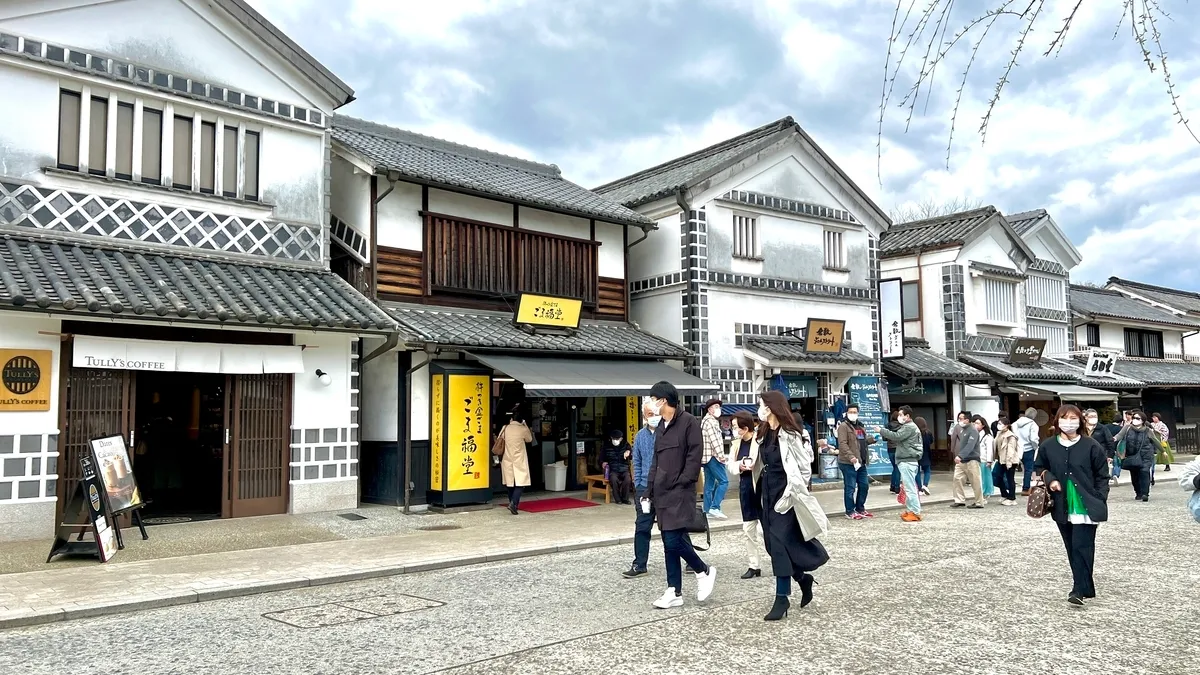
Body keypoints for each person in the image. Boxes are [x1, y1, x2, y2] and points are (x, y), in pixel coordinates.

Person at [754, 390, 830, 621]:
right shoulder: (764, 431)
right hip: (766, 490)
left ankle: (782, 597)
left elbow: (805, 465)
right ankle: (802, 578)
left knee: (778, 542)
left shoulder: (789, 434)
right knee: (770, 543)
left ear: (773, 407)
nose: (760, 409)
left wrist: (797, 489)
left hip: (786, 494)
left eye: (763, 405)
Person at [646, 381, 716, 609]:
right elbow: (655, 462)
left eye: (653, 399)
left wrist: (683, 481)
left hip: (680, 491)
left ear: (663, 400)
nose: (651, 404)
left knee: (674, 539)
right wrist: (647, 491)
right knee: (668, 542)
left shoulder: (689, 423)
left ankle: (703, 570)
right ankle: (673, 590)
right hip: (661, 493)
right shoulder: (661, 427)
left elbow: (695, 457)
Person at [1034, 404, 1110, 605]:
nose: (1069, 422)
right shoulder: (1048, 446)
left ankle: (1078, 589)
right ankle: (1085, 587)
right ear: (1057, 421)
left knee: (1082, 545)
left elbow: (1102, 475)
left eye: (1073, 418)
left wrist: (1100, 496)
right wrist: (1050, 479)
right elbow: (1040, 466)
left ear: (1080, 421)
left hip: (1086, 504)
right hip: (1062, 504)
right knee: (1071, 546)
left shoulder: (1091, 445)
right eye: (1064, 418)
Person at [623, 400, 660, 579]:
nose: (653, 417)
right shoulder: (640, 436)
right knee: (642, 526)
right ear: (644, 416)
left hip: (664, 486)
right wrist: (637, 483)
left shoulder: (667, 432)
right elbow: (636, 461)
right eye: (650, 414)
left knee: (674, 525)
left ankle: (691, 561)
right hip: (644, 487)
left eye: (656, 413)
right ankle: (639, 564)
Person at [730, 413, 765, 579]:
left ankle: (782, 560)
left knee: (767, 528)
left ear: (745, 428)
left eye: (736, 426)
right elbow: (730, 465)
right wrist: (740, 466)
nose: (734, 430)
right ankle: (754, 565)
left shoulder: (760, 441)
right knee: (748, 528)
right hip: (745, 487)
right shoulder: (736, 444)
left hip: (762, 487)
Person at [876, 405, 923, 522]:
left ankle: (915, 512)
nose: (899, 417)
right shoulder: (910, 427)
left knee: (910, 488)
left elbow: (896, 436)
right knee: (908, 488)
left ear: (907, 416)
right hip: (909, 460)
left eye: (901, 415)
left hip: (907, 460)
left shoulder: (909, 427)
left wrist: (881, 430)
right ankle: (911, 510)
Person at [835, 403, 873, 520]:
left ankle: (860, 508)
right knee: (850, 487)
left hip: (861, 462)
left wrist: (872, 439)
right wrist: (851, 456)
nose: (853, 414)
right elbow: (842, 444)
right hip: (848, 462)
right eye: (850, 412)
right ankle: (850, 511)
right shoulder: (843, 426)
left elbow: (862, 441)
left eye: (855, 412)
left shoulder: (860, 426)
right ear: (846, 413)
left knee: (864, 485)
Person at [1115, 409, 1158, 502]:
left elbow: (1155, 441)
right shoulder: (1127, 428)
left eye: (1137, 418)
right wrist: (1113, 439)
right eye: (1133, 417)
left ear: (1143, 420)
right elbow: (1119, 436)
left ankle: (1145, 493)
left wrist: (1163, 451)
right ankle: (1138, 492)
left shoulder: (1148, 430)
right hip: (1131, 455)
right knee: (1134, 475)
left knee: (1144, 472)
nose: (1134, 419)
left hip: (1146, 455)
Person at [499, 406, 534, 515]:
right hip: (519, 459)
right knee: (520, 482)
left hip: (507, 458)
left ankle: (512, 503)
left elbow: (500, 438)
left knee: (510, 483)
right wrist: (525, 425)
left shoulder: (506, 428)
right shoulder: (523, 429)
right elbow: (529, 439)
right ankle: (514, 503)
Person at [700, 398, 729, 520]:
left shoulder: (705, 421)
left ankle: (707, 510)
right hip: (713, 457)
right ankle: (715, 507)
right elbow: (714, 440)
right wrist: (721, 455)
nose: (718, 409)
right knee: (724, 481)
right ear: (710, 409)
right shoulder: (710, 422)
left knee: (709, 484)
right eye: (716, 406)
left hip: (706, 457)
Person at [951, 410, 984, 508]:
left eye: (961, 419)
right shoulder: (962, 429)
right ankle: (959, 500)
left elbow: (970, 445)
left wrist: (960, 456)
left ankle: (979, 502)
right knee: (957, 478)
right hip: (962, 460)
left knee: (975, 481)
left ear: (967, 420)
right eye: (959, 418)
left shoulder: (973, 430)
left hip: (972, 459)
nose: (959, 421)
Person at [1083, 409, 1116, 489]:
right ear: (1086, 417)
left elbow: (1110, 441)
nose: (1093, 418)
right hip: (1084, 455)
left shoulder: (1102, 428)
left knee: (1100, 475)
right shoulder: (1081, 428)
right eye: (1091, 416)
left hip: (1100, 455)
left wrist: (1110, 455)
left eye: (1095, 416)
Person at [1013, 408, 1041, 495]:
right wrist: (1035, 446)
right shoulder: (1033, 425)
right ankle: (1025, 488)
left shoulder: (1016, 423)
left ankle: (1009, 486)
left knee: (1012, 468)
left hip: (1017, 447)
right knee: (1028, 469)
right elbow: (1033, 438)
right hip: (1028, 448)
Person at [994, 415, 1021, 505]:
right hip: (1001, 460)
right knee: (997, 477)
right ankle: (1005, 494)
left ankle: (1012, 498)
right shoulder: (999, 434)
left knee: (1010, 479)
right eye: (998, 423)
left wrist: (1008, 463)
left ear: (1006, 425)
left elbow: (1011, 450)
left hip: (1010, 461)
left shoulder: (1011, 436)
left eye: (1001, 424)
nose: (999, 425)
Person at [603, 429, 633, 505]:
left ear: (621, 439)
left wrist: (629, 453)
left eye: (617, 439)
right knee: (613, 479)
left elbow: (632, 455)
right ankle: (618, 499)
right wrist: (603, 462)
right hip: (613, 469)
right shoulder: (607, 446)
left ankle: (625, 498)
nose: (615, 440)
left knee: (627, 479)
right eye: (613, 439)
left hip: (624, 469)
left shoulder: (626, 445)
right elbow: (601, 458)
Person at [973, 415, 995, 504]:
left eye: (978, 423)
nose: (975, 425)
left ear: (983, 425)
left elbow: (990, 450)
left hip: (984, 460)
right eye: (974, 423)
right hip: (977, 459)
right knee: (979, 478)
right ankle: (981, 495)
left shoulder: (987, 436)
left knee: (985, 478)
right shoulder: (976, 435)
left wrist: (989, 460)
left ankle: (985, 494)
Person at [914, 416, 934, 496]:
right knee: (927, 470)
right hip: (926, 453)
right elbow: (931, 441)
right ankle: (925, 485)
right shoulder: (928, 433)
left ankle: (919, 488)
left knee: (917, 471)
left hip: (917, 453)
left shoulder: (915, 433)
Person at [1150, 412, 1173, 479]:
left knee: (1164, 452)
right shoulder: (1151, 424)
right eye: (1153, 417)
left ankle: (1167, 465)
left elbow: (1166, 432)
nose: (1154, 419)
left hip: (1161, 439)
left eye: (1155, 417)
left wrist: (1162, 438)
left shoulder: (1162, 425)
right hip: (1154, 440)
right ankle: (1152, 465)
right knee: (1154, 453)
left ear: (1158, 418)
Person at [885, 411, 902, 494]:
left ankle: (892, 486)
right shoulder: (901, 426)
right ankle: (897, 487)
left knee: (894, 468)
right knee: (897, 468)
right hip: (898, 448)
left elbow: (884, 438)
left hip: (890, 448)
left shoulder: (887, 426)